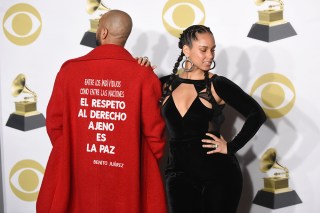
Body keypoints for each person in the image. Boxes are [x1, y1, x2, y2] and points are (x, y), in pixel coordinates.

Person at [36, 10, 167, 213]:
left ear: (103, 32)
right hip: (126, 178)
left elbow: (55, 124)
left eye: (98, 27)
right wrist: (131, 159)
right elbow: (155, 136)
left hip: (78, 172)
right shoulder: (144, 75)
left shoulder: (69, 71)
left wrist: (77, 152)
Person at [160, 25, 266, 213]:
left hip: (219, 175)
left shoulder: (218, 84)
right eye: (203, 50)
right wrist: (140, 66)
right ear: (186, 50)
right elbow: (133, 94)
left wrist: (231, 147)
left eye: (213, 49)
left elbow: (256, 114)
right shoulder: (166, 83)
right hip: (178, 174)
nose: (210, 55)